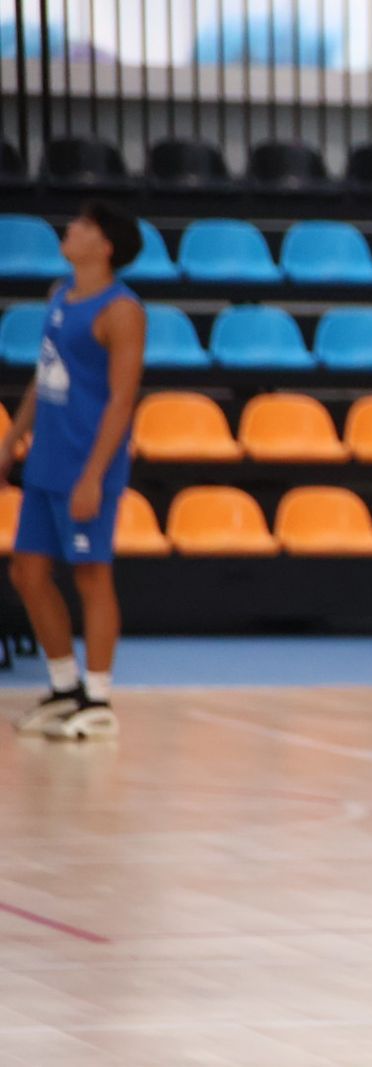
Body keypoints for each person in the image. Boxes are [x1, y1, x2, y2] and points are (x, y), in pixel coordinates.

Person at [5, 199, 146, 742]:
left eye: (83, 225)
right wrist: (12, 439)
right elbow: (45, 375)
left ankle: (100, 698)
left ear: (104, 245)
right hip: (47, 460)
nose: (71, 229)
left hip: (89, 463)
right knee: (28, 573)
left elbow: (121, 400)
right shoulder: (59, 295)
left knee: (91, 576)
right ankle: (65, 687)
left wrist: (93, 475)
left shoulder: (122, 311)